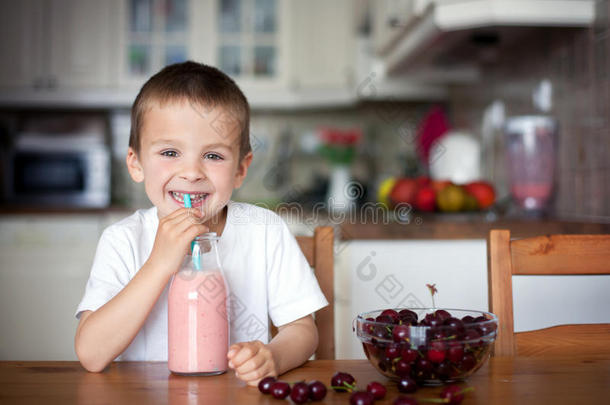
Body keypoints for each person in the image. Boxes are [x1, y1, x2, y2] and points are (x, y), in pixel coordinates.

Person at [74, 61, 328, 386]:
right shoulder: (122, 240)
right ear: (136, 164)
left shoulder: (265, 231)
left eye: (213, 156)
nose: (192, 172)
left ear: (240, 168)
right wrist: (159, 263)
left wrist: (273, 356)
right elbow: (92, 355)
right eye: (169, 152)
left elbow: (302, 331)